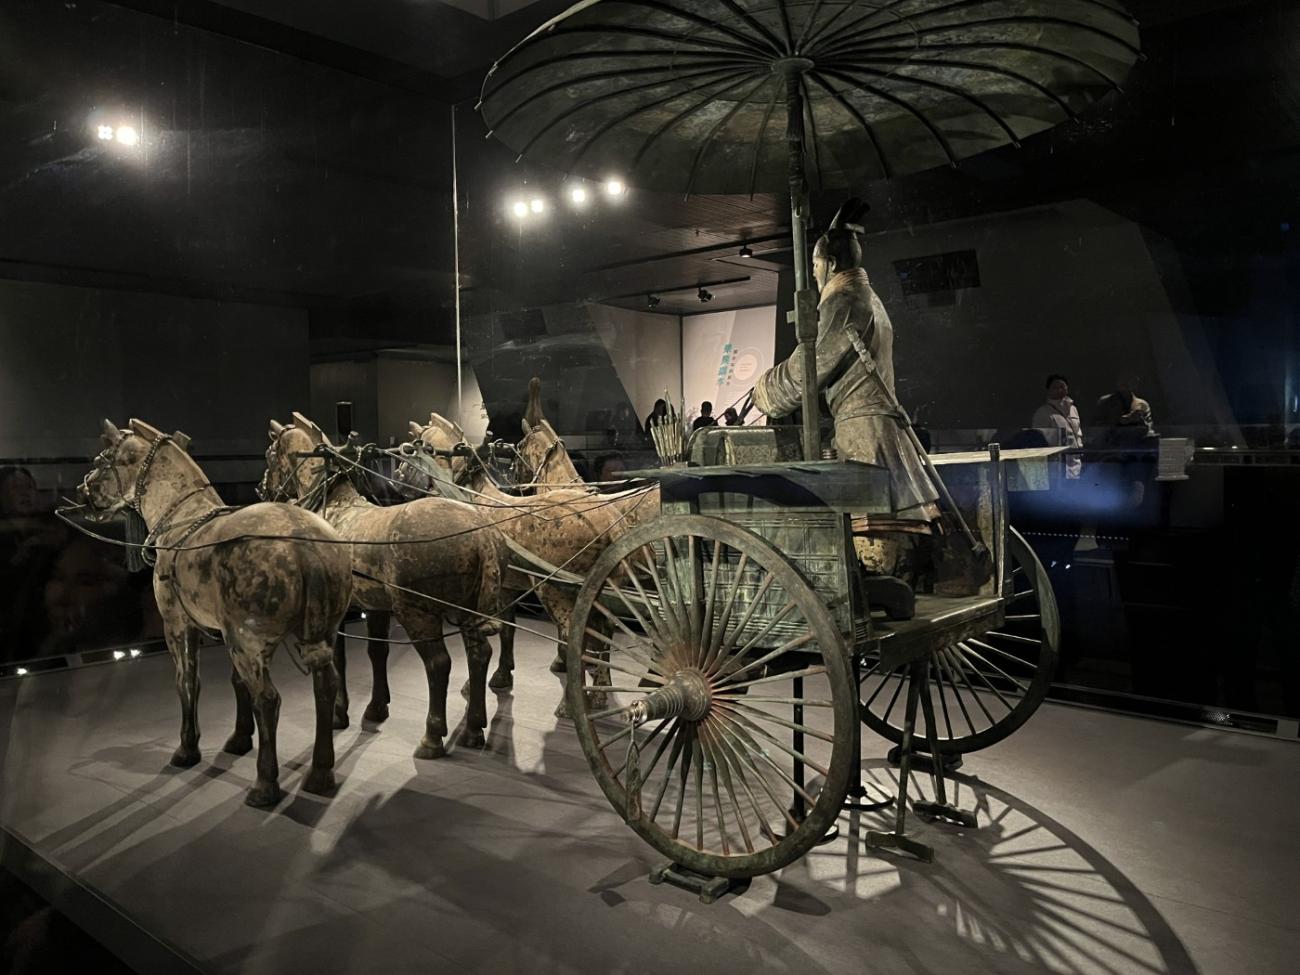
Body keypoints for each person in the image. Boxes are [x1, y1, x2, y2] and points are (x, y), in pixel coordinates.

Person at [753, 197, 940, 573]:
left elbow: (808, 370)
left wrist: (764, 390)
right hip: (877, 427)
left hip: (863, 437)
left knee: (869, 542)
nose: (814, 274)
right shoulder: (869, 298)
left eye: (815, 265)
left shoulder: (843, 301)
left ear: (831, 265)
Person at [1032, 374, 1084, 479]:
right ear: (1048, 390)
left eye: (1062, 387)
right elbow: (1038, 440)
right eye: (1055, 387)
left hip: (1076, 462)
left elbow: (1078, 433)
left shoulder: (1073, 409)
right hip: (1057, 465)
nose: (1059, 390)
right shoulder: (1043, 412)